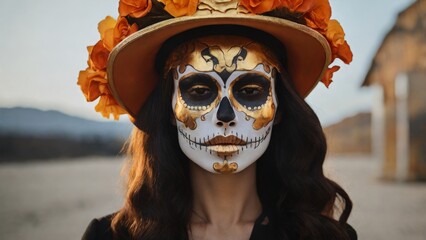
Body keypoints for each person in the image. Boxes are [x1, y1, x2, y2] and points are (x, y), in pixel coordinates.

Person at [78, 0, 356, 239]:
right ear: (169, 109)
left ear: (280, 107)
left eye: (250, 91)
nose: (226, 116)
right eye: (199, 91)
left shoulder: (324, 237)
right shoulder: (112, 237)